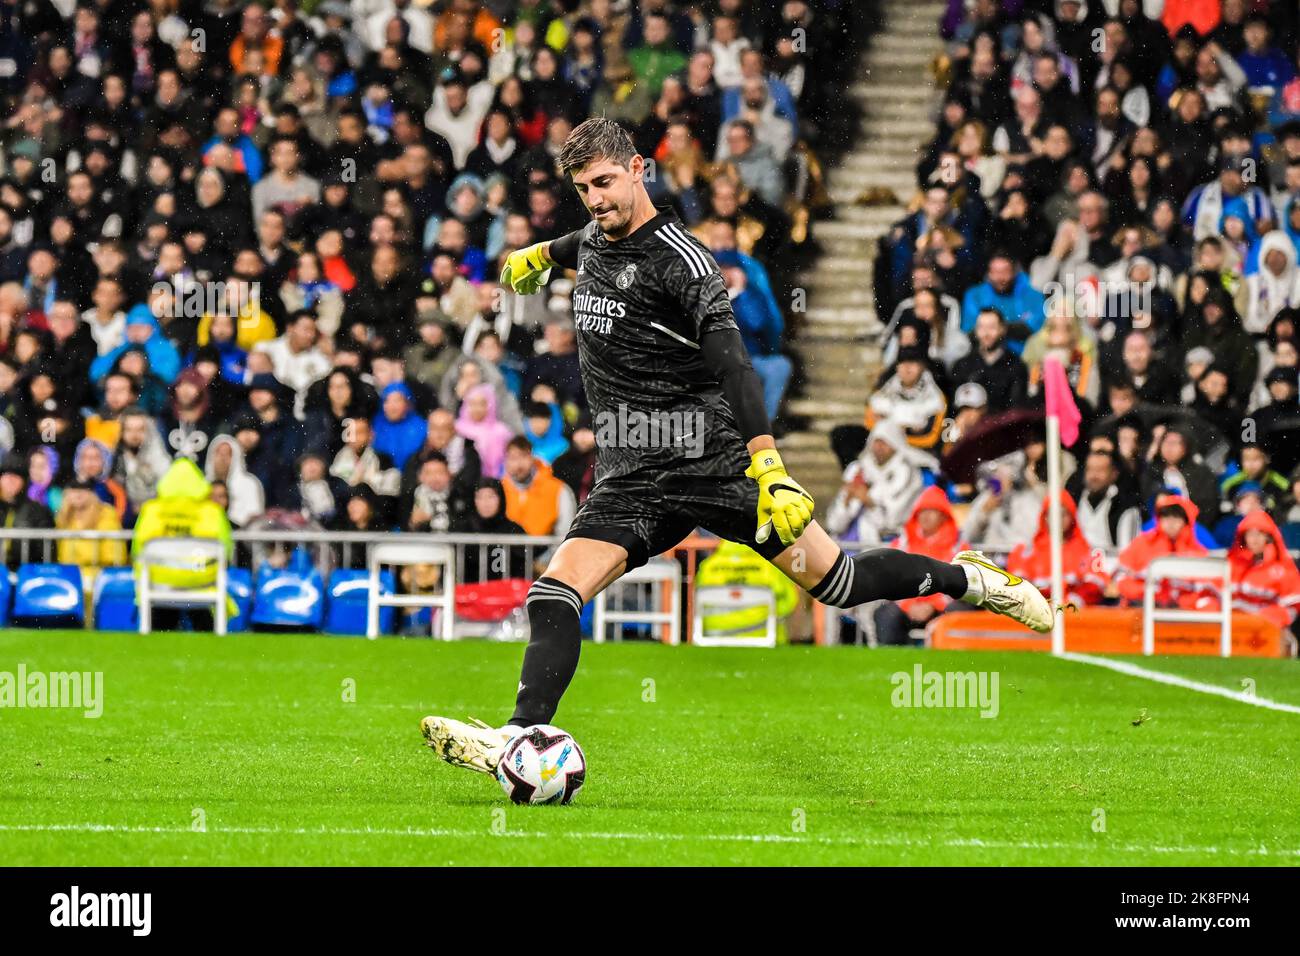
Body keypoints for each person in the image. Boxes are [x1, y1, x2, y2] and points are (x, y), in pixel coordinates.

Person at [420, 117, 1052, 779]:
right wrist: (536, 256)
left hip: (714, 466)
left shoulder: (684, 262)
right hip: (632, 471)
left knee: (841, 583)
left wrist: (770, 465)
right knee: (553, 596)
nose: (596, 199)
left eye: (605, 181)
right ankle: (517, 738)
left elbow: (736, 368)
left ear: (638, 170)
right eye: (583, 189)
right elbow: (580, 243)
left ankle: (972, 579)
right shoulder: (595, 237)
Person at [131, 457, 234, 631]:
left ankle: (157, 641)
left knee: (162, 618)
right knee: (201, 616)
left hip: (160, 580)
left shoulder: (151, 510)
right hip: (201, 579)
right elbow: (226, 550)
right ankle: (209, 643)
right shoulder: (212, 512)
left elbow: (137, 550)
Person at [869, 486, 966, 647]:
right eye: (922, 511)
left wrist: (933, 605)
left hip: (942, 608)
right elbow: (890, 580)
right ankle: (892, 662)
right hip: (908, 606)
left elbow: (962, 582)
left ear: (943, 515)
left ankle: (953, 662)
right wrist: (909, 605)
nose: (925, 515)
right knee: (886, 614)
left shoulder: (958, 546)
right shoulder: (902, 544)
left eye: (932, 510)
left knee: (959, 611)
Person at [1006, 492, 1107, 609]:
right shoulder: (1026, 551)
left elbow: (1096, 585)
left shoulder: (1087, 551)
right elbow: (1016, 588)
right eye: (1053, 514)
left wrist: (1075, 599)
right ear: (1045, 516)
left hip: (1074, 614)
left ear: (1072, 516)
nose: (1058, 519)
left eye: (1063, 514)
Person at [1113, 494, 1210, 607]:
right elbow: (1120, 578)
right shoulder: (1141, 543)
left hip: (1182, 613)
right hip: (1141, 607)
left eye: (1176, 516)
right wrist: (1148, 592)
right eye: (1165, 516)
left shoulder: (1198, 552)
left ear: (1186, 521)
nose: (1170, 522)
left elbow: (1206, 590)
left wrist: (1181, 601)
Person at [695, 539, 799, 643]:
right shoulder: (769, 567)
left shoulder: (707, 566)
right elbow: (789, 603)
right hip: (765, 640)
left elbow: (696, 601)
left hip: (714, 640)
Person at [55, 478, 127, 595]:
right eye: (74, 489)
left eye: (83, 489)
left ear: (92, 493)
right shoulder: (63, 517)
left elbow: (113, 554)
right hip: (69, 574)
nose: (78, 494)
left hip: (97, 574)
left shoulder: (106, 514)